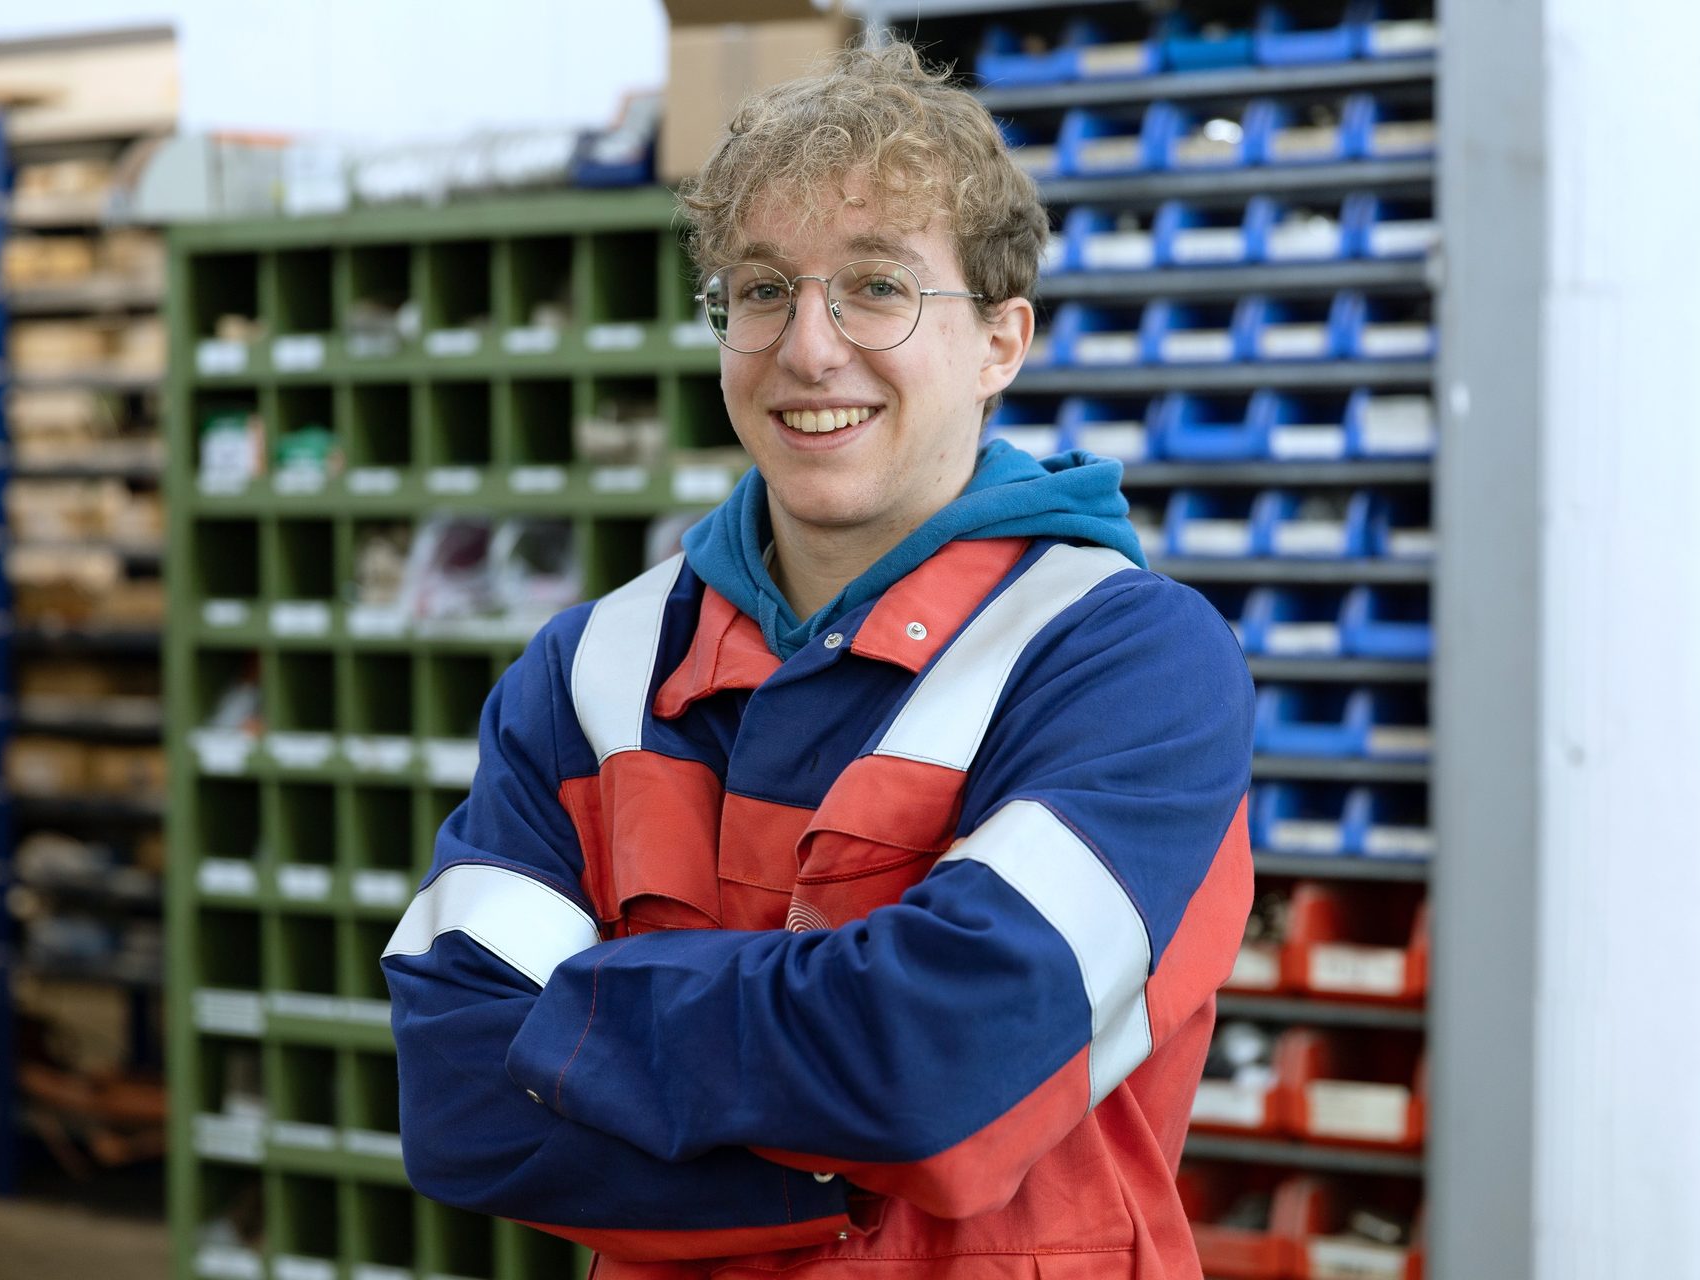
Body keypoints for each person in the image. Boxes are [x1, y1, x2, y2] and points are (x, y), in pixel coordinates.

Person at [384, 39, 1254, 1280]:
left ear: (1003, 341)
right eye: (761, 290)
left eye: (878, 288)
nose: (808, 349)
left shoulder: (1127, 660)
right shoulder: (593, 671)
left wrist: (587, 1013)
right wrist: (848, 1143)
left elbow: (932, 1065)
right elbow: (462, 1101)